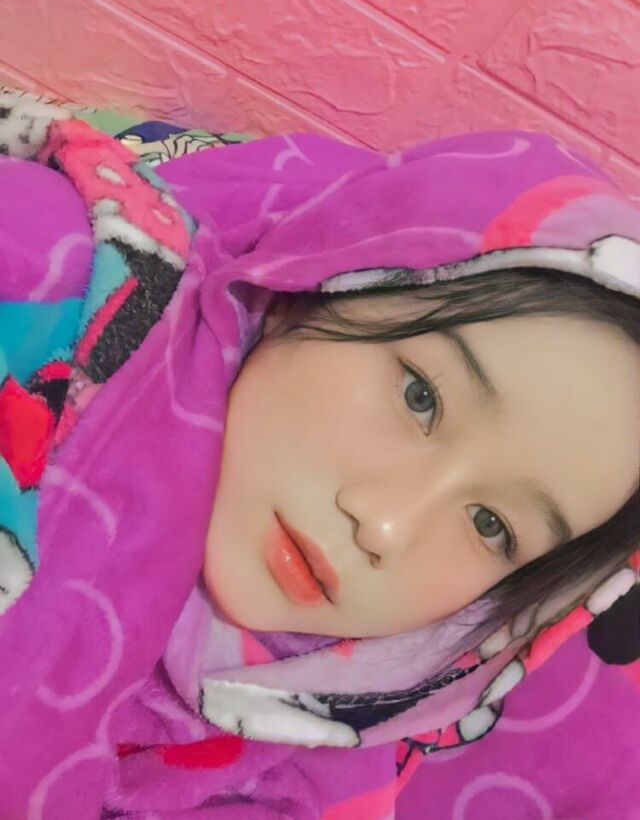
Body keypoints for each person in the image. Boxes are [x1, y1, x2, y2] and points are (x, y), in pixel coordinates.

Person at [0, 91, 638, 818]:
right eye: (421, 398)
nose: (386, 525)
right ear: (308, 286)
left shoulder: (340, 748)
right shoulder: (47, 281)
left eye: (491, 525)